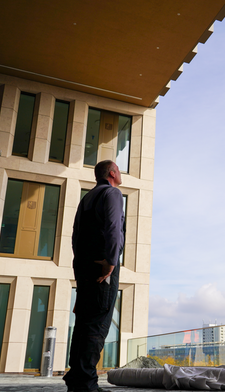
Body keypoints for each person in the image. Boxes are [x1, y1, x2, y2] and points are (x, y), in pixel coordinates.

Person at [64, 160, 125, 392]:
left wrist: (80, 265)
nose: (119, 173)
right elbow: (113, 228)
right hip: (101, 267)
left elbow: (75, 235)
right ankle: (86, 384)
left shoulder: (86, 199)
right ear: (112, 173)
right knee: (97, 323)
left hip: (84, 267)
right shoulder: (112, 193)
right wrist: (111, 261)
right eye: (118, 170)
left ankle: (76, 378)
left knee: (83, 323)